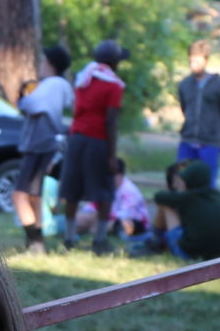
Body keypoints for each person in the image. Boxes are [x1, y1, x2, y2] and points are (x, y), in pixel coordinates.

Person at [58, 40, 127, 254]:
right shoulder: (114, 85)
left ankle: (69, 238)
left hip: (76, 139)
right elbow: (110, 121)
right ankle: (100, 241)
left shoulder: (83, 79)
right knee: (105, 191)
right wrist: (112, 156)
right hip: (98, 141)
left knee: (72, 190)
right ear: (114, 62)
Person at [11, 45, 74, 251]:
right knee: (34, 194)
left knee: (19, 194)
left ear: (50, 63)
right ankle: (37, 242)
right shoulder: (62, 85)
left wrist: (24, 97)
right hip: (46, 143)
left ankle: (34, 239)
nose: (40, 64)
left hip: (37, 144)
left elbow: (32, 105)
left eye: (43, 60)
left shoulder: (52, 83)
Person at [139, 158, 220, 260]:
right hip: (216, 253)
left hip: (190, 254)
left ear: (191, 179)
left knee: (165, 205)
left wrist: (179, 192)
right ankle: (156, 240)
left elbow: (159, 196)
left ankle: (154, 241)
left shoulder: (189, 197)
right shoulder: (217, 195)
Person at [173, 42, 220, 177]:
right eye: (191, 61)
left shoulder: (218, 85)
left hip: (210, 142)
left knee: (206, 180)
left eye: (197, 61)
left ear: (205, 61)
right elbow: (184, 108)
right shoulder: (185, 84)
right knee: (181, 177)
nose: (193, 64)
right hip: (188, 140)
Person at [107, 158, 150, 240]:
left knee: (123, 223)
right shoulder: (112, 188)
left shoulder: (129, 190)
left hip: (137, 222)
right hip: (117, 219)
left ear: (120, 175)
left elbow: (125, 213)